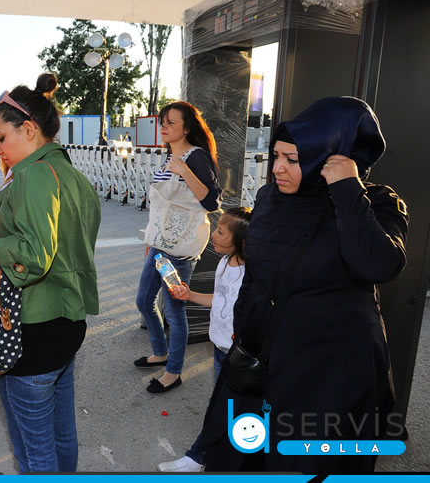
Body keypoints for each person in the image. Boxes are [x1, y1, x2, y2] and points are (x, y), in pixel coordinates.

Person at [200, 96, 408, 473]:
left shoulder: (376, 203)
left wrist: (347, 189)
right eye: (276, 156)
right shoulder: (270, 199)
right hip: (264, 363)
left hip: (332, 376)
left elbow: (377, 264)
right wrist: (240, 334)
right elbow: (257, 272)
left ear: (328, 156)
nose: (277, 168)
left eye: (292, 160)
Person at [0, 72, 101, 473]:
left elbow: (32, 258)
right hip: (66, 321)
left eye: (0, 138)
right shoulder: (70, 174)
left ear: (28, 129)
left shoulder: (33, 175)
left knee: (33, 451)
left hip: (32, 327)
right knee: (61, 436)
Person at [134, 101, 222, 394]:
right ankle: (160, 351)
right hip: (160, 244)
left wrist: (184, 170)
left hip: (179, 248)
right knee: (144, 301)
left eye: (171, 122)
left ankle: (173, 371)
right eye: (163, 122)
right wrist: (151, 239)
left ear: (187, 127)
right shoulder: (170, 156)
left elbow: (212, 203)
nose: (164, 127)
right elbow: (163, 206)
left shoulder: (194, 158)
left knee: (174, 311)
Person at [157, 207, 252, 472]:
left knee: (222, 408)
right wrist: (189, 295)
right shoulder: (224, 262)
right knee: (224, 408)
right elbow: (219, 300)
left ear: (241, 241)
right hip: (220, 350)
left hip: (237, 353)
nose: (213, 235)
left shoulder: (250, 274)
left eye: (221, 231)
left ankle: (197, 457)